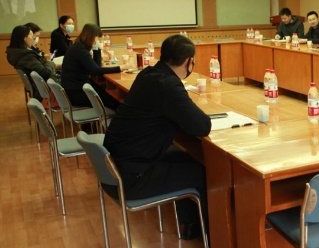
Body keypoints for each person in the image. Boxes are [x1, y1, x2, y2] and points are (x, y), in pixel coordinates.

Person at [103, 34, 211, 241]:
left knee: (187, 158)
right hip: (133, 178)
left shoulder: (148, 74)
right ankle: (211, 235)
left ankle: (190, 225)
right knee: (203, 173)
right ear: (189, 61)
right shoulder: (168, 85)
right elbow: (202, 126)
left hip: (116, 168)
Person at [60, 23, 121, 110]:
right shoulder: (80, 50)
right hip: (75, 93)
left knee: (108, 95)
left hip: (76, 88)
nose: (98, 41)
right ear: (91, 37)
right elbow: (96, 70)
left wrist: (97, 49)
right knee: (114, 102)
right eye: (97, 38)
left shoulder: (79, 46)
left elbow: (96, 66)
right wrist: (120, 68)